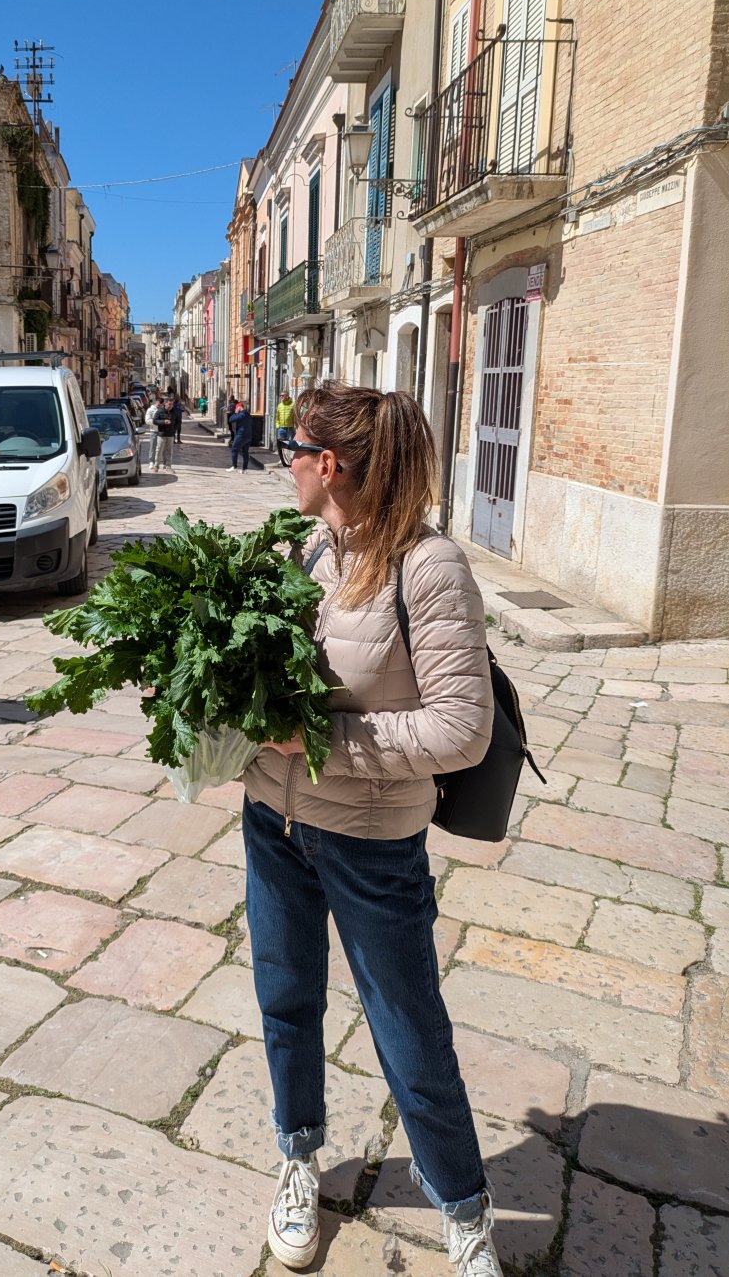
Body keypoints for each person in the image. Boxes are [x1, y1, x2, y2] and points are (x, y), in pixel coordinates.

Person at [242, 384, 501, 1277]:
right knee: (285, 1003)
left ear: (330, 465)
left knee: (407, 1030)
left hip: (369, 839)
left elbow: (460, 730)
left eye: (293, 447)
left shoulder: (427, 568)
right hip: (272, 823)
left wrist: (318, 741)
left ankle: (464, 1215)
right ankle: (299, 1159)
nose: (283, 459)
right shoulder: (305, 548)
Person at [151, 395, 176, 471]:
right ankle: (156, 466)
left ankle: (168, 466)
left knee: (169, 450)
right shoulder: (160, 411)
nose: (171, 406)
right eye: (169, 404)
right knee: (159, 450)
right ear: (165, 404)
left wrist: (174, 429)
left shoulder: (174, 411)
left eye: (172, 404)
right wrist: (163, 422)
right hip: (162, 434)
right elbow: (154, 421)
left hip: (171, 434)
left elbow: (178, 422)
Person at [227, 401, 252, 472]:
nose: (235, 410)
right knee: (245, 452)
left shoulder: (242, 414)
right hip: (248, 435)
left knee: (234, 449)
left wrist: (234, 413)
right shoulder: (248, 414)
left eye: (236, 408)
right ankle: (245, 469)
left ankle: (234, 466)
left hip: (241, 435)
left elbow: (231, 419)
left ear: (239, 408)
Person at [274, 391, 296, 463]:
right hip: (281, 428)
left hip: (290, 427)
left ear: (287, 396)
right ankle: (282, 459)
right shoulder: (280, 405)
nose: (281, 397)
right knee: (282, 444)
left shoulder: (293, 405)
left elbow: (295, 416)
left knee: (290, 444)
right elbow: (277, 416)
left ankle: (289, 459)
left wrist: (295, 426)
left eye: (283, 395)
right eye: (280, 395)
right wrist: (277, 425)